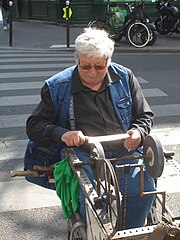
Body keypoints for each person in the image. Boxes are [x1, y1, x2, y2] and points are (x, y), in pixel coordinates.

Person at [26, 27, 155, 230]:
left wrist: (138, 132)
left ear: (108, 61)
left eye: (99, 66)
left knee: (142, 192)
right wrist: (63, 134)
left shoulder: (125, 77)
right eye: (85, 67)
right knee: (91, 201)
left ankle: (129, 233)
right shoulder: (57, 85)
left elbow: (144, 116)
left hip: (124, 148)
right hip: (83, 152)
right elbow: (34, 126)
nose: (93, 72)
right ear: (76, 59)